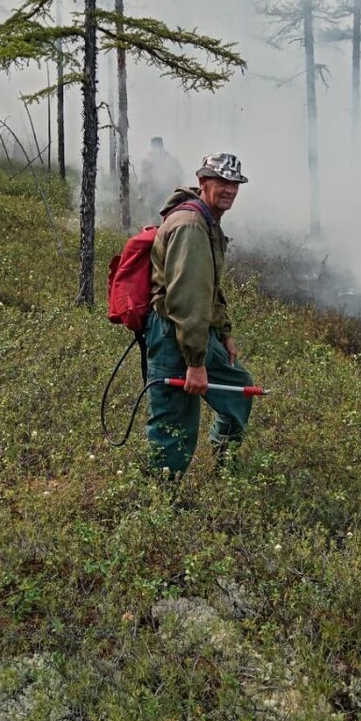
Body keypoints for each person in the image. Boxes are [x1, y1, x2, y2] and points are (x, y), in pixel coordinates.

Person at [145, 153, 253, 476]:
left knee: (240, 389)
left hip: (197, 332)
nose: (230, 190)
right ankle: (162, 501)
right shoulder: (192, 226)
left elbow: (210, 287)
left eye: (235, 184)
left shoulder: (209, 220)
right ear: (203, 182)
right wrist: (195, 364)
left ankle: (224, 463)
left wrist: (224, 333)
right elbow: (188, 300)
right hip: (173, 332)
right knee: (175, 424)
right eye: (222, 182)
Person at [139, 136, 185, 221]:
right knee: (157, 216)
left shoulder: (170, 159)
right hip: (153, 193)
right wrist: (142, 194)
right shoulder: (147, 160)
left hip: (164, 192)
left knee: (166, 214)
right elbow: (143, 179)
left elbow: (179, 175)